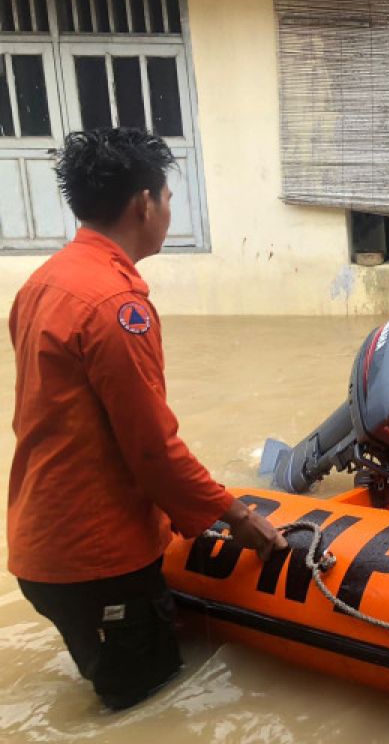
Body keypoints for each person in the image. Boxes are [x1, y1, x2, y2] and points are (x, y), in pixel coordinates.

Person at [7, 128, 286, 710]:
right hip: (98, 560)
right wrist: (237, 517)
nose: (168, 209)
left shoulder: (43, 283)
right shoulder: (116, 307)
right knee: (147, 704)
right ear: (144, 203)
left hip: (42, 545)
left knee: (115, 685)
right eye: (168, 196)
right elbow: (154, 450)